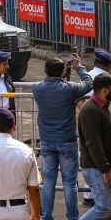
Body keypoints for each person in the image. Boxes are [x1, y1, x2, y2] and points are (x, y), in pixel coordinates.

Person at [32, 55, 93, 220]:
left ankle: (46, 217)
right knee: (69, 182)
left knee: (48, 182)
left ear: (45, 70)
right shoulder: (69, 89)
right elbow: (88, 83)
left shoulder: (37, 88)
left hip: (46, 141)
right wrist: (79, 66)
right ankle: (72, 217)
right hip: (67, 141)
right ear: (62, 72)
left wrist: (62, 73)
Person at [78, 73, 111, 219]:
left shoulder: (102, 107)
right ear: (105, 91)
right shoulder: (90, 110)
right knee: (104, 207)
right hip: (95, 168)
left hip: (100, 168)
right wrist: (105, 169)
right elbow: (94, 143)